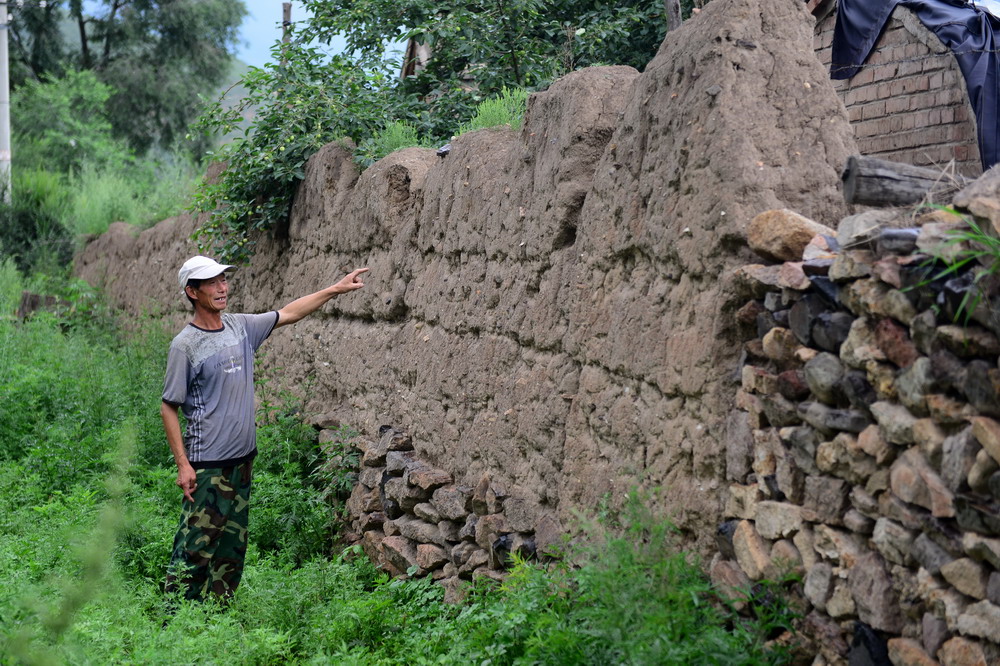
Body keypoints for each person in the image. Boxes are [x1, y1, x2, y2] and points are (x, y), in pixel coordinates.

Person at [161, 255, 368, 602]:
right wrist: (183, 464)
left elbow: (289, 312)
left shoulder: (240, 327)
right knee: (194, 548)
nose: (222, 287)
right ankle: (172, 618)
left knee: (231, 550)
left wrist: (335, 289)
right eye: (212, 283)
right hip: (208, 466)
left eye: (223, 280)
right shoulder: (185, 346)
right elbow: (169, 405)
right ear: (192, 292)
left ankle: (216, 618)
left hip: (243, 462)